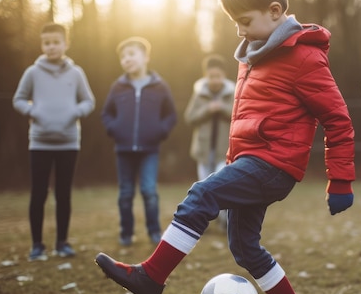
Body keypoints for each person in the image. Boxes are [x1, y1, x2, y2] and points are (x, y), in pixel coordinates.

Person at [95, 0, 355, 294]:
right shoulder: (253, 52)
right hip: (251, 161)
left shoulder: (304, 56)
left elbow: (338, 119)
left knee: (202, 194)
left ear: (275, 12)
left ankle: (151, 276)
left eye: (244, 20)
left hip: (274, 165)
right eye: (234, 21)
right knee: (244, 247)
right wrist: (234, 161)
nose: (239, 29)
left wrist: (341, 179)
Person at [13, 22, 95, 262]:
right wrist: (33, 111)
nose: (51, 47)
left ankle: (62, 243)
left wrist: (74, 112)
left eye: (56, 42)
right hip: (39, 143)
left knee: (63, 194)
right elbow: (18, 99)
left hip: (69, 143)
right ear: (42, 45)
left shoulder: (76, 72)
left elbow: (89, 101)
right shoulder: (32, 72)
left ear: (65, 44)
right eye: (47, 43)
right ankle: (37, 245)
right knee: (38, 193)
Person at [101, 36, 177, 246]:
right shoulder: (117, 87)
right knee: (125, 193)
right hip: (123, 149)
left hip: (149, 149)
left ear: (146, 57)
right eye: (123, 57)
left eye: (131, 54)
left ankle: (154, 232)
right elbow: (106, 114)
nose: (127, 59)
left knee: (149, 191)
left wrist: (160, 131)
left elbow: (171, 115)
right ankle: (126, 233)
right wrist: (113, 129)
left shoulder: (160, 86)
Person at [183, 53, 235, 230]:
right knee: (204, 188)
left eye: (218, 76)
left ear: (224, 75)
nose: (215, 80)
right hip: (203, 150)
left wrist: (222, 108)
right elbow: (189, 117)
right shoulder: (200, 94)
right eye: (211, 76)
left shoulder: (232, 94)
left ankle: (224, 220)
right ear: (206, 76)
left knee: (222, 186)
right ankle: (202, 221)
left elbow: (239, 116)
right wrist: (207, 109)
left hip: (224, 150)